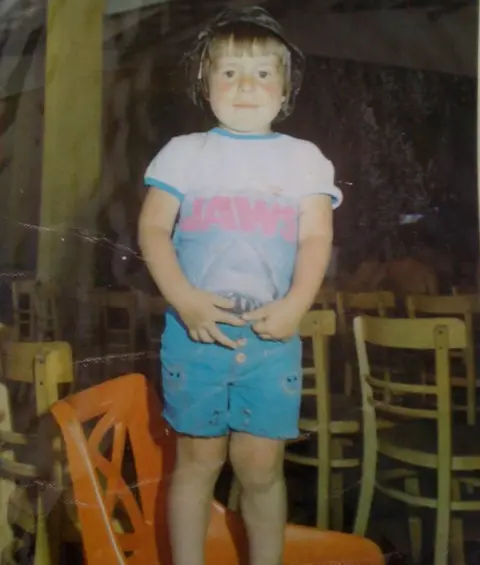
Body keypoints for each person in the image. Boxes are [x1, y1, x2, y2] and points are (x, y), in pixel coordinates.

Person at [138, 6, 343, 565]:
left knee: (261, 468)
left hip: (270, 340)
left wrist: (296, 305)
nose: (245, 85)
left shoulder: (305, 161)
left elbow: (314, 240)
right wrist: (184, 298)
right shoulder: (184, 152)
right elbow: (153, 227)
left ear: (286, 87)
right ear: (205, 84)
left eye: (261, 72)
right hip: (194, 337)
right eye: (229, 72)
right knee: (196, 464)